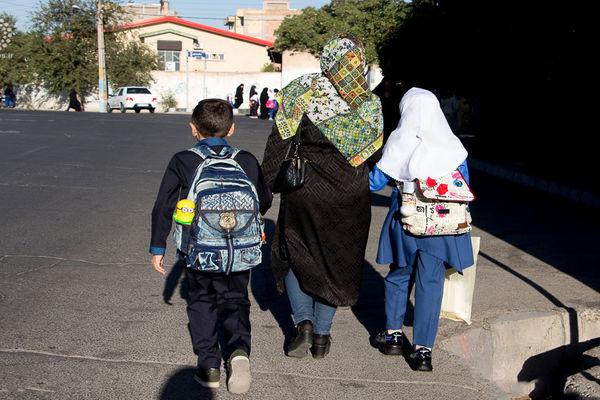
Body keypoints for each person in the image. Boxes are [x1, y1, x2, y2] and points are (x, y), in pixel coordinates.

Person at [261, 36, 383, 359]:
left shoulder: (303, 89)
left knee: (295, 253)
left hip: (305, 188)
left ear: (328, 61)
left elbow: (279, 141)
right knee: (336, 262)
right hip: (350, 196)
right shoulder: (369, 103)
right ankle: (322, 337)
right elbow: (376, 154)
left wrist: (264, 189)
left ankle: (303, 323)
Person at [150, 99, 272, 393]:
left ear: (193, 128)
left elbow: (163, 206)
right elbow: (263, 201)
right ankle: (239, 352)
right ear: (231, 128)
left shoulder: (183, 160)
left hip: (199, 250)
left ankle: (209, 366)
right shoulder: (245, 159)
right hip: (239, 250)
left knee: (202, 302)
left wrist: (157, 246)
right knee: (236, 299)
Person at [369, 87, 474, 372]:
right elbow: (463, 184)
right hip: (440, 225)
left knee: (399, 274)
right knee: (431, 282)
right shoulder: (451, 146)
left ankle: (392, 336)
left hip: (406, 222)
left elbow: (375, 182)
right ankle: (423, 352)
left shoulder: (399, 140)